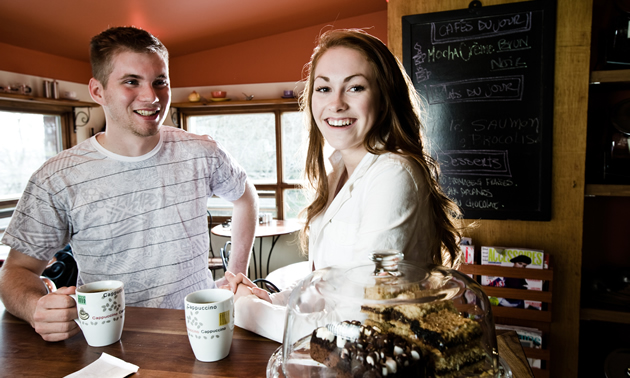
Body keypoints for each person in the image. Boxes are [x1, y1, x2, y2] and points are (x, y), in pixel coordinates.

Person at [0, 26, 258, 342]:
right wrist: (35, 306)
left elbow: (245, 196)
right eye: (131, 81)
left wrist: (235, 273)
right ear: (97, 91)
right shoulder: (57, 177)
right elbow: (15, 271)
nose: (151, 96)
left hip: (199, 333)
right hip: (108, 343)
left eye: (159, 82)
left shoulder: (202, 152)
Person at [223, 28, 464, 342]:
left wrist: (246, 310)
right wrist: (272, 299)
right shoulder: (340, 169)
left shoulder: (394, 172)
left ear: (384, 97)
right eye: (324, 88)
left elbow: (356, 321)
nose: (335, 104)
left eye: (355, 87)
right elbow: (330, 282)